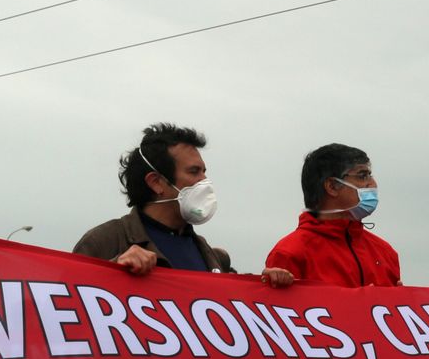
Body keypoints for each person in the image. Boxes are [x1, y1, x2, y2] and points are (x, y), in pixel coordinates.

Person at [74, 123, 291, 286]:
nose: (204, 181)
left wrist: (266, 287)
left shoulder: (207, 252)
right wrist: (114, 268)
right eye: (194, 172)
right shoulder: (104, 241)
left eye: (204, 172)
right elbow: (63, 308)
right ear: (156, 182)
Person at [265, 143, 401, 288]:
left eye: (370, 176)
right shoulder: (290, 253)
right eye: (363, 176)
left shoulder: (385, 252)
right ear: (332, 186)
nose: (373, 184)